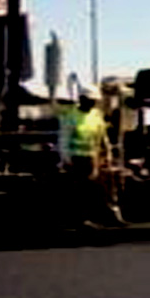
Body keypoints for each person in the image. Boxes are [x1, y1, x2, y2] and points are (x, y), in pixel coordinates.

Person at [58, 85, 119, 225]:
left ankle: (107, 215)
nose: (92, 103)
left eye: (94, 100)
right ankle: (83, 218)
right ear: (82, 99)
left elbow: (102, 136)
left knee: (102, 187)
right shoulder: (71, 116)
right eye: (90, 100)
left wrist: (108, 153)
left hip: (93, 157)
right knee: (82, 189)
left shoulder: (96, 115)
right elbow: (64, 139)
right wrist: (66, 158)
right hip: (77, 158)